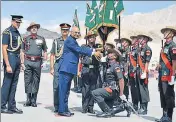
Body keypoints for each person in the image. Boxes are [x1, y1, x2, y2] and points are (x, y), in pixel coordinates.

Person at [57, 26, 102, 117]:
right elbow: (79, 50)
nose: (77, 34)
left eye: (78, 33)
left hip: (69, 69)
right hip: (66, 68)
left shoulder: (73, 41)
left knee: (66, 91)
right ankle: (61, 110)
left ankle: (65, 109)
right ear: (71, 32)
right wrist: (93, 52)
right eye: (75, 32)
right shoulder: (70, 41)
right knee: (63, 90)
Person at [92, 49, 128, 118]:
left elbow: (121, 80)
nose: (108, 54)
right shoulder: (108, 65)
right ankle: (123, 107)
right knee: (110, 109)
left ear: (115, 56)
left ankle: (107, 112)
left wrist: (121, 93)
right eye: (108, 53)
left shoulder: (116, 66)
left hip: (112, 89)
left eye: (111, 53)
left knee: (95, 93)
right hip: (107, 88)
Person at [21, 22, 48, 107]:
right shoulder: (25, 39)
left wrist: (45, 60)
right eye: (32, 27)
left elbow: (45, 50)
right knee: (28, 80)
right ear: (29, 29)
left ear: (37, 29)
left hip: (37, 62)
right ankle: (28, 99)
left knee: (36, 80)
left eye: (35, 27)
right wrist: (22, 62)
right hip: (28, 61)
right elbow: (22, 51)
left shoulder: (42, 39)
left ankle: (34, 100)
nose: (34, 28)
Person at [1, 15, 24, 114]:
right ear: (12, 21)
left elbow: (20, 49)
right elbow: (4, 49)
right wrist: (8, 64)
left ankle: (11, 106)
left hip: (17, 58)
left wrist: (22, 62)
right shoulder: (7, 32)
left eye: (19, 22)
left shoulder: (18, 33)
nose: (18, 24)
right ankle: (2, 105)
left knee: (14, 84)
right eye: (16, 22)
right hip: (10, 58)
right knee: (7, 83)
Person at [155, 26, 176, 122]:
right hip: (161, 73)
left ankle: (169, 117)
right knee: (162, 95)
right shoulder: (164, 46)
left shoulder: (173, 46)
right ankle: (164, 115)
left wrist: (173, 75)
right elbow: (162, 60)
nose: (164, 34)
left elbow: (175, 62)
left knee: (169, 95)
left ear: (171, 34)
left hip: (168, 74)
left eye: (166, 32)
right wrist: (158, 65)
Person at [50, 23, 71, 113]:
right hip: (58, 65)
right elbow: (52, 55)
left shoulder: (72, 41)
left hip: (68, 66)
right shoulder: (56, 41)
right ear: (61, 31)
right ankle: (57, 106)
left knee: (66, 87)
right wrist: (51, 68)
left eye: (66, 30)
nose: (64, 31)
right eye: (63, 30)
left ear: (69, 31)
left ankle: (65, 106)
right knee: (56, 86)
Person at [81, 31, 100, 114]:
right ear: (87, 39)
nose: (91, 38)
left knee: (93, 88)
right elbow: (81, 58)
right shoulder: (84, 47)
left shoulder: (98, 47)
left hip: (95, 69)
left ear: (95, 38)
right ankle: (84, 107)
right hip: (86, 68)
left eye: (93, 37)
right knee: (85, 88)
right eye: (90, 37)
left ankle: (91, 107)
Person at [136, 34, 152, 115]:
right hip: (138, 70)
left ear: (145, 40)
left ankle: (144, 108)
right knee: (139, 89)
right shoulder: (140, 49)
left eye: (140, 38)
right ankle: (141, 107)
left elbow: (147, 61)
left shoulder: (147, 49)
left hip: (143, 70)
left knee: (143, 90)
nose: (139, 40)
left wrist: (145, 71)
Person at [128, 36, 140, 111]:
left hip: (135, 71)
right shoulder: (131, 49)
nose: (131, 41)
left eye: (133, 40)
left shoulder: (138, 50)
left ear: (136, 42)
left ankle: (136, 105)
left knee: (136, 89)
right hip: (130, 71)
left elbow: (139, 62)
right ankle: (134, 104)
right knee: (132, 89)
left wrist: (136, 71)